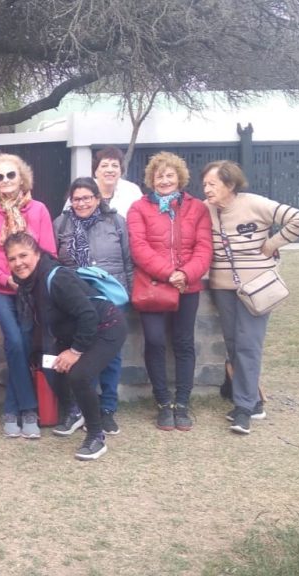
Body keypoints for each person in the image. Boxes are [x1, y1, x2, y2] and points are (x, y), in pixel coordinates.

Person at [202, 160, 299, 434]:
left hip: (257, 287)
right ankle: (253, 400)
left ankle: (244, 408)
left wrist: (272, 244)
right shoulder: (206, 209)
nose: (206, 189)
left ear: (230, 185)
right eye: (204, 184)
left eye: (212, 184)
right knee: (233, 343)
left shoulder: (254, 203)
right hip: (222, 287)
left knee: (248, 345)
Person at [4, 232, 127, 461]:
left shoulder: (56, 277)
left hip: (106, 326)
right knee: (49, 363)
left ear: (37, 254)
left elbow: (88, 315)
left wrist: (75, 351)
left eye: (24, 255)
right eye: (12, 259)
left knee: (79, 375)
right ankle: (74, 411)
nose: (18, 263)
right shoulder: (28, 283)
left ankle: (96, 436)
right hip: (74, 330)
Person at [0, 153, 55, 438]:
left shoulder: (39, 210)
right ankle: (29, 408)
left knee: (22, 345)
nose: (5, 181)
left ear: (22, 178)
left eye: (11, 175)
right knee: (15, 340)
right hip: (0, 287)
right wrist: (5, 278)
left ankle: (11, 408)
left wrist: (28, 279)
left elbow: (48, 252)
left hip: (31, 289)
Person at [127, 152, 212, 431]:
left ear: (179, 178)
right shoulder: (138, 208)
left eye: (169, 175)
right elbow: (139, 248)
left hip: (187, 286)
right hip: (153, 285)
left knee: (184, 343)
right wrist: (168, 273)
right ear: (151, 180)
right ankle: (163, 402)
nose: (164, 180)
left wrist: (186, 274)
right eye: (159, 176)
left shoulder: (197, 208)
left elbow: (203, 248)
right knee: (154, 342)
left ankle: (183, 403)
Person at [52, 177, 132, 435]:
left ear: (98, 198)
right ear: (70, 201)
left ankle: (107, 409)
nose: (82, 202)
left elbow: (128, 261)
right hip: (76, 299)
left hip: (110, 296)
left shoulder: (115, 222)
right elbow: (54, 260)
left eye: (87, 197)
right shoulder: (61, 224)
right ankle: (83, 409)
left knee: (111, 356)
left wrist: (129, 294)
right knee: (81, 353)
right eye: (77, 198)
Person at [91, 147, 143, 217]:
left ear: (121, 171)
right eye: (104, 166)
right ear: (96, 171)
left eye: (115, 166)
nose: (110, 170)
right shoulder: (84, 189)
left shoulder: (132, 191)